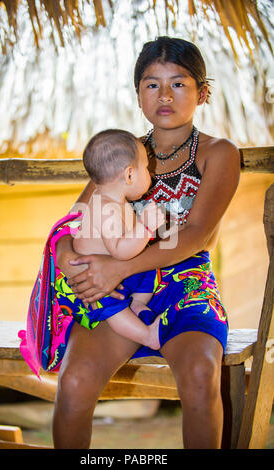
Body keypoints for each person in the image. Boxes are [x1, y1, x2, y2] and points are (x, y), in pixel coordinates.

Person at [52, 36, 240, 449]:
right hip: (117, 289)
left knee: (199, 373)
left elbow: (197, 235)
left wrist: (118, 266)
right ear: (138, 95)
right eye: (152, 84)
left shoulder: (219, 153)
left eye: (179, 83)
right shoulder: (121, 155)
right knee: (75, 381)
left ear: (202, 93)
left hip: (183, 283)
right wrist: (65, 253)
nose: (165, 95)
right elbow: (76, 218)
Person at [67, 128, 165, 350]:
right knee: (110, 305)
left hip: (117, 271)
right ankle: (147, 335)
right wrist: (146, 227)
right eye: (147, 170)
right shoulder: (105, 207)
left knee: (150, 266)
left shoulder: (115, 201)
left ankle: (137, 305)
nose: (151, 175)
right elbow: (120, 250)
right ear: (130, 175)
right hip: (95, 281)